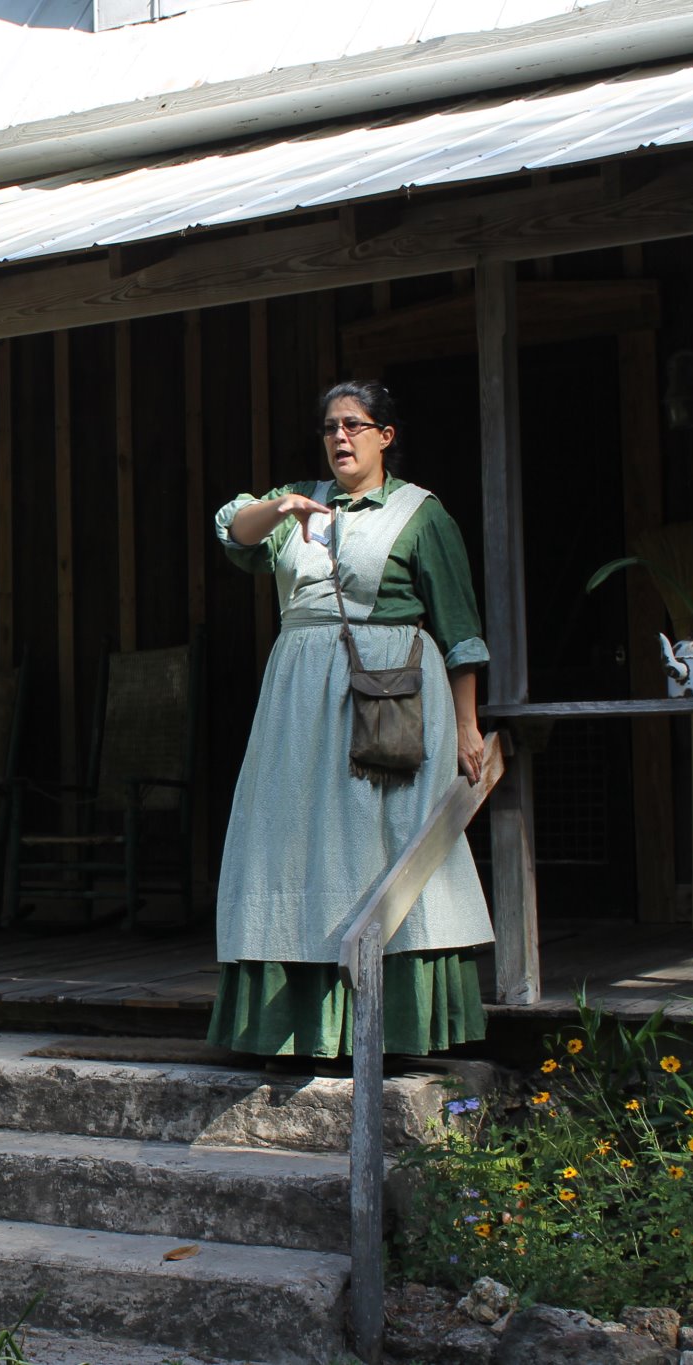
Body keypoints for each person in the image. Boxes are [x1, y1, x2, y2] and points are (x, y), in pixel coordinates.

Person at [208, 380, 494, 1059]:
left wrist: (467, 724)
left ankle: (396, 1020)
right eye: (331, 427)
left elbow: (460, 630)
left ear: (385, 436)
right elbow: (232, 530)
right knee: (292, 839)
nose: (341, 437)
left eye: (355, 426)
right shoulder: (298, 501)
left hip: (387, 698)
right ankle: (293, 1025)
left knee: (382, 841)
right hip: (299, 703)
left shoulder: (422, 515)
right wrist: (281, 505)